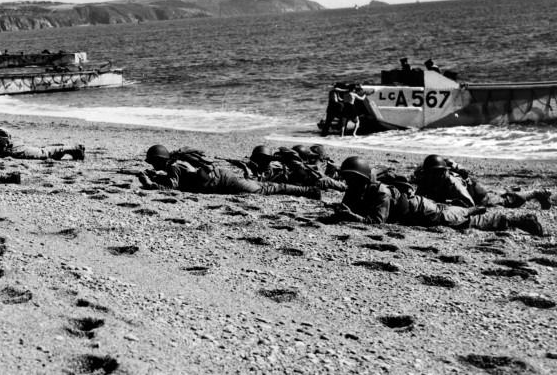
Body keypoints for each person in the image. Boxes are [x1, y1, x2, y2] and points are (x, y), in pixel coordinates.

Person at [331, 156, 545, 236]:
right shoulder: (356, 189)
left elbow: (376, 222)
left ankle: (518, 220)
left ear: (362, 179)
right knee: (459, 215)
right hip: (423, 207)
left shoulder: (380, 192)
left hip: (425, 211)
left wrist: (352, 218)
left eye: (352, 178)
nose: (348, 183)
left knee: (463, 220)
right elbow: (348, 208)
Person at [136, 144, 320, 199]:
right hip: (223, 179)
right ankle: (308, 191)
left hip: (225, 181)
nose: (152, 166)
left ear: (160, 160)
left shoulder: (175, 167)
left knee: (266, 189)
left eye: (153, 163)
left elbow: (172, 186)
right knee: (265, 186)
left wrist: (150, 184)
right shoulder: (175, 165)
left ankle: (309, 192)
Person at [412, 155, 551, 209]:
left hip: (480, 198)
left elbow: (470, 205)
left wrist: (446, 204)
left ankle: (538, 192)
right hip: (474, 192)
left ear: (443, 172)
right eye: (430, 172)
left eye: (437, 172)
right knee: (502, 193)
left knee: (511, 200)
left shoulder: (453, 183)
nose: (433, 175)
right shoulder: (426, 179)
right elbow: (418, 197)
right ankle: (514, 190)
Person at [0, 122, 85, 160]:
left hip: (11, 149)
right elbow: (4, 133)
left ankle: (74, 149)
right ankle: (67, 149)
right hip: (11, 145)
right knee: (40, 150)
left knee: (43, 153)